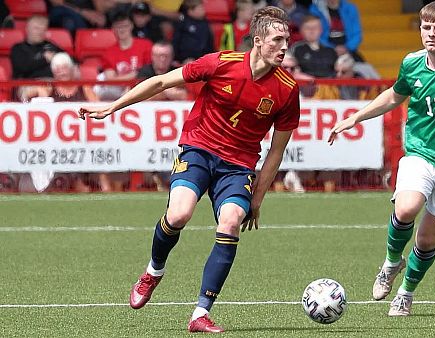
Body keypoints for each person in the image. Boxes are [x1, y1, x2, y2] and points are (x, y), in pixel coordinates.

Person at [79, 6, 299, 332]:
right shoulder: (221, 62)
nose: (284, 47)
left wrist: (258, 199)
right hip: (198, 149)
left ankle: (200, 313)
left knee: (231, 222)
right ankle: (154, 270)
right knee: (179, 214)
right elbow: (160, 82)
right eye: (277, 39)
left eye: (287, 40)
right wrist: (112, 107)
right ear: (257, 40)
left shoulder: (287, 89)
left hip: (238, 167)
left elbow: (276, 153)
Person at [328, 1, 435, 316]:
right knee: (407, 206)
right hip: (420, 152)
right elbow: (395, 96)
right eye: (426, 27)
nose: (431, 34)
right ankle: (391, 261)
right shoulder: (412, 63)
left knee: (426, 239)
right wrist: (356, 117)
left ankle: (406, 292)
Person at [94, 9, 152, 101]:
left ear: (131, 26)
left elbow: (148, 73)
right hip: (119, 93)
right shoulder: (109, 52)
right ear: (113, 29)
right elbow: (110, 79)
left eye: (125, 26)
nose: (122, 30)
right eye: (118, 27)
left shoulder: (145, 45)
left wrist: (130, 79)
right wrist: (135, 74)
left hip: (142, 89)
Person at [172, 0, 214, 65]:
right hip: (184, 60)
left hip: (202, 60)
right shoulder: (183, 24)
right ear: (190, 11)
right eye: (200, 8)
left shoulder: (206, 24)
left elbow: (210, 44)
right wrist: (177, 59)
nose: (203, 10)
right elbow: (176, 42)